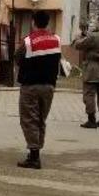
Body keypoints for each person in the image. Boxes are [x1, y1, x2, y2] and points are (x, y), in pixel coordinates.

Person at [14, 11, 62, 169]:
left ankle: (34, 156)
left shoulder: (28, 41)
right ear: (48, 23)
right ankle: (36, 150)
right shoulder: (56, 39)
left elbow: (17, 58)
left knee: (29, 120)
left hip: (30, 86)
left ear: (33, 22)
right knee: (41, 119)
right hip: (49, 86)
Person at [73, 13, 99, 129]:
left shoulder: (94, 36)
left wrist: (78, 38)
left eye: (97, 21)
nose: (96, 23)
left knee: (89, 94)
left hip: (92, 67)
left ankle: (91, 119)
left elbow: (79, 45)